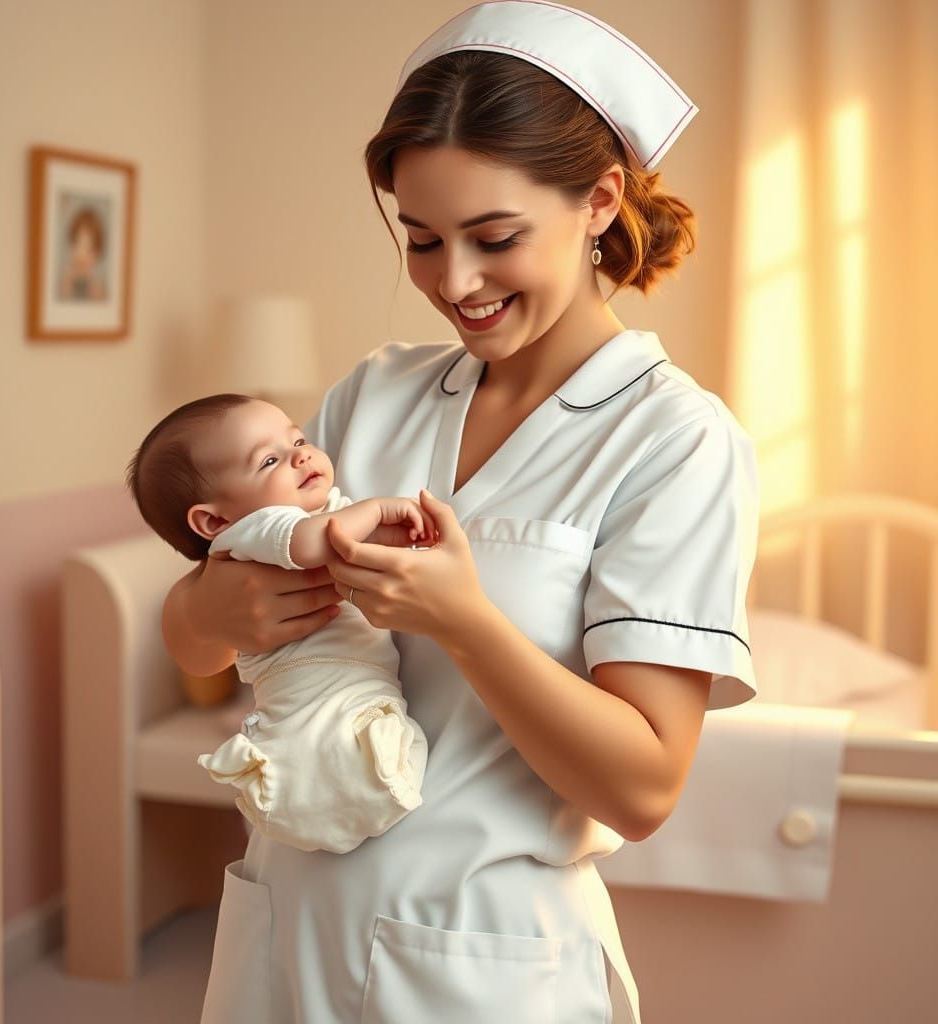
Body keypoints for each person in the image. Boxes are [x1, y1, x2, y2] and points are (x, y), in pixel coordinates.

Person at [163, 3, 759, 1022]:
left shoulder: (675, 441)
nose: (456, 282)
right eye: (424, 240)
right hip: (283, 932)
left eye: (493, 237)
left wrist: (465, 621)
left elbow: (644, 788)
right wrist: (218, 614)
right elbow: (196, 634)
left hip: (480, 965)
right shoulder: (373, 395)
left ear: (600, 200)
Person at [125, 393, 433, 853]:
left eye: (299, 440)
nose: (302, 455)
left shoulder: (324, 506)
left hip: (356, 689)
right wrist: (380, 511)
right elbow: (317, 543)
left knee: (358, 762)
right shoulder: (256, 530)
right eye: (270, 460)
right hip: (314, 698)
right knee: (332, 762)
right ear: (214, 520)